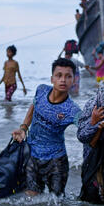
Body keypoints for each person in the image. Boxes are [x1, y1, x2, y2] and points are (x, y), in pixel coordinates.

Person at [11, 58, 81, 197]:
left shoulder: (73, 110)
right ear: (52, 78)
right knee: (31, 199)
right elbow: (34, 106)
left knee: (57, 203)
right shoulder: (41, 90)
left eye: (68, 76)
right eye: (59, 75)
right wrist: (24, 127)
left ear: (73, 81)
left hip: (56, 161)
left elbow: (85, 126)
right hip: (32, 155)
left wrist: (97, 121)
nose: (63, 80)